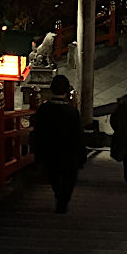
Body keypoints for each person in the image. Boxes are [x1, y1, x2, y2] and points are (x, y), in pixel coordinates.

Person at [32, 74, 86, 213]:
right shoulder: (72, 112)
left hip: (50, 149)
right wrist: (82, 153)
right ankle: (63, 200)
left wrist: (37, 151)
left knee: (53, 175)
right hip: (69, 151)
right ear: (67, 91)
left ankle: (58, 194)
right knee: (69, 177)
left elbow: (38, 131)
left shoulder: (44, 109)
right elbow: (78, 134)